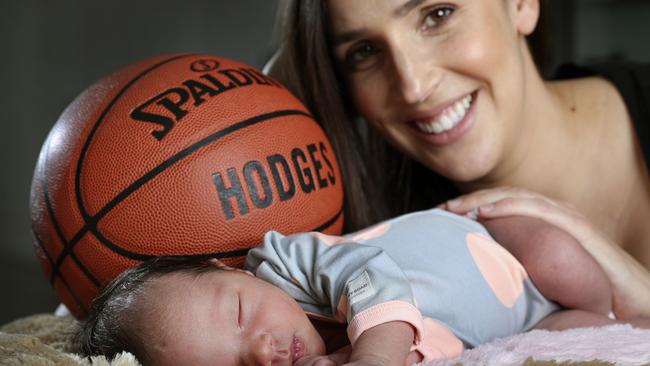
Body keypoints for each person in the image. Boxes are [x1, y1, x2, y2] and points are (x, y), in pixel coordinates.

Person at [267, 0, 650, 319]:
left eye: (437, 15)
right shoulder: (379, 262)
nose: (414, 86)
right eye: (364, 52)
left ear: (521, 5)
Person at [78, 210, 650, 366]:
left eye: (240, 316)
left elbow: (369, 272)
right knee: (585, 340)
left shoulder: (284, 259)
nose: (260, 350)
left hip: (494, 244)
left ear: (233, 272)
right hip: (513, 321)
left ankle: (611, 300)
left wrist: (373, 355)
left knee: (562, 261)